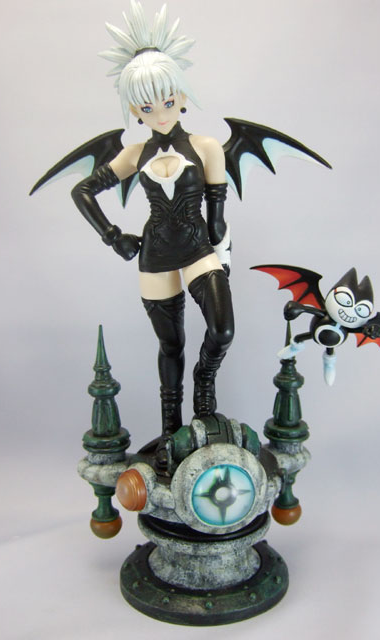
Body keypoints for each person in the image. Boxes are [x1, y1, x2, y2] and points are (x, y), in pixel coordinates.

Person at [70, 3, 234, 459]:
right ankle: (170, 432)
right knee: (171, 345)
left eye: (165, 100)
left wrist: (222, 256)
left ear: (181, 96)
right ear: (135, 110)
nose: (159, 113)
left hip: (199, 248)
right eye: (146, 106)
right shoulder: (134, 154)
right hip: (155, 256)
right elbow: (83, 191)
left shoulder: (206, 147)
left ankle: (204, 384)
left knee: (222, 330)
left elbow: (218, 217)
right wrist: (113, 236)